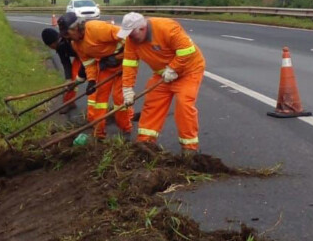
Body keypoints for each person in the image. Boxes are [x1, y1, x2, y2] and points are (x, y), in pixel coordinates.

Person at [117, 12, 205, 157]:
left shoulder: (167, 27)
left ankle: (189, 148)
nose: (129, 38)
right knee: (152, 104)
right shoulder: (132, 40)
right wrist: (127, 89)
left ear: (142, 28)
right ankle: (145, 143)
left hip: (188, 71)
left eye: (131, 34)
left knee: (184, 104)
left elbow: (187, 50)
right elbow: (129, 64)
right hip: (162, 75)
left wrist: (173, 68)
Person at [57, 13, 133, 141]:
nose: (67, 38)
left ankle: (126, 129)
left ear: (76, 28)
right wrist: (91, 80)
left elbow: (129, 38)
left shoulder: (96, 29)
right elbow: (88, 63)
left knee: (119, 98)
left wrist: (118, 57)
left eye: (67, 34)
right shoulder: (76, 44)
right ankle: (99, 134)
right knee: (99, 101)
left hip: (125, 63)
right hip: (107, 66)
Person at [41, 27, 85, 112]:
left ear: (52, 43)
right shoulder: (59, 47)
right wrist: (68, 79)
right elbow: (66, 63)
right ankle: (69, 103)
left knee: (95, 81)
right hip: (80, 57)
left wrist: (83, 74)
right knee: (72, 80)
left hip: (91, 54)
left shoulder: (68, 40)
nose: (50, 48)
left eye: (49, 46)